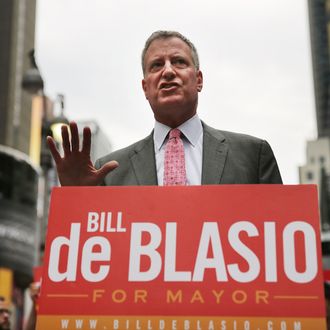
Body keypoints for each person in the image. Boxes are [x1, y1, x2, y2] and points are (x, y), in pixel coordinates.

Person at [47, 30, 282, 186]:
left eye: (179, 61)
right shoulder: (109, 173)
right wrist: (76, 199)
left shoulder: (253, 157)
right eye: (156, 65)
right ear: (145, 88)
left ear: (198, 79)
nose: (168, 71)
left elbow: (279, 239)